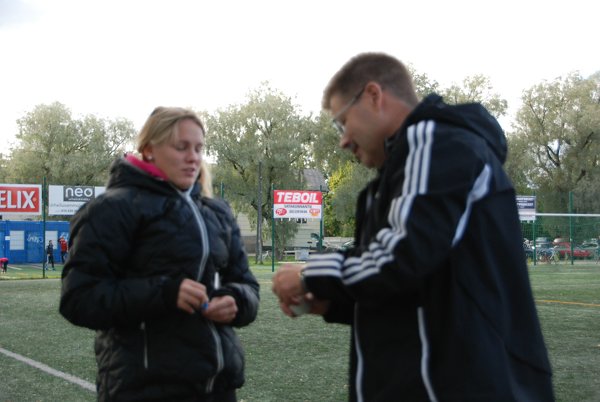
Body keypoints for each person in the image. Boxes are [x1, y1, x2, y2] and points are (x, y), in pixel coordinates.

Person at [272, 53, 555, 401]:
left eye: (343, 122)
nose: (343, 140)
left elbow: (401, 256)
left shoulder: (434, 141)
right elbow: (419, 289)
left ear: (373, 96)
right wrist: (334, 306)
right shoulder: (395, 180)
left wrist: (309, 273)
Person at [60, 106, 260, 401]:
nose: (193, 157)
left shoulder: (216, 211)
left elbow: (248, 285)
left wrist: (237, 301)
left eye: (199, 148)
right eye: (181, 147)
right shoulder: (110, 209)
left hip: (218, 387)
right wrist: (164, 293)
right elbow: (79, 298)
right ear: (149, 150)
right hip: (144, 389)